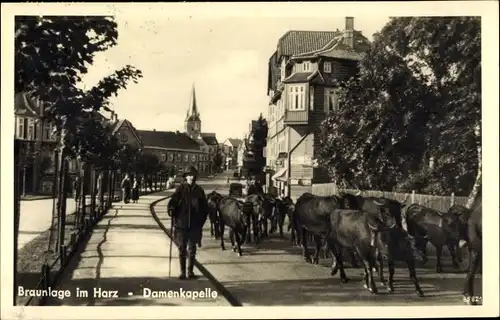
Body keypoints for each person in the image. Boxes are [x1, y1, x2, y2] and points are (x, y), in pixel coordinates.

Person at [167, 166, 209, 280]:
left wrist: (200, 222)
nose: (191, 177)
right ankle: (182, 272)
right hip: (181, 224)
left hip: (194, 225)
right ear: (185, 177)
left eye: (193, 175)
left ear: (195, 177)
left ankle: (190, 272)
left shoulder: (199, 191)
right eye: (189, 175)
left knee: (192, 249)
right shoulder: (180, 189)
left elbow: (205, 208)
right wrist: (171, 209)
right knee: (182, 248)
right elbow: (173, 201)